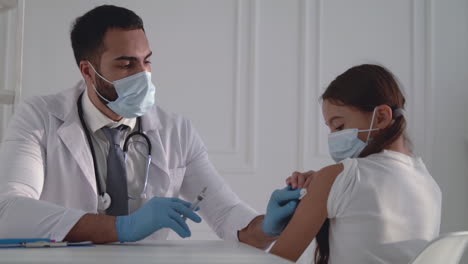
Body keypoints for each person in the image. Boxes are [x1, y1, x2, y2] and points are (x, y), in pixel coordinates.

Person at [0, 5, 303, 247]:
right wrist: (124, 227)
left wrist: (267, 226)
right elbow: (8, 212)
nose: (143, 75)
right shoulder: (39, 118)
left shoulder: (176, 132)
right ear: (88, 71)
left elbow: (225, 215)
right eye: (126, 64)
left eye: (146, 61)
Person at [267, 64, 442, 263]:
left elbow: (276, 261)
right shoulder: (430, 184)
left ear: (382, 117)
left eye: (339, 126)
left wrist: (324, 185)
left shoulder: (342, 177)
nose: (334, 137)